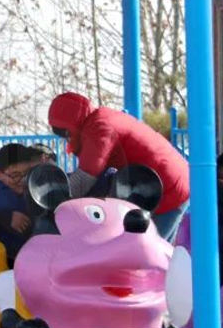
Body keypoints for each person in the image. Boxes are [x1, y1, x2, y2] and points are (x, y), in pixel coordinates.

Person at [47, 92, 189, 241]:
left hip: (166, 188)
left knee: (147, 248)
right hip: (168, 180)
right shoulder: (101, 118)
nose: (67, 139)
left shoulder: (99, 128)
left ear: (69, 126)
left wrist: (55, 202)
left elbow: (85, 177)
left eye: (65, 133)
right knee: (159, 249)